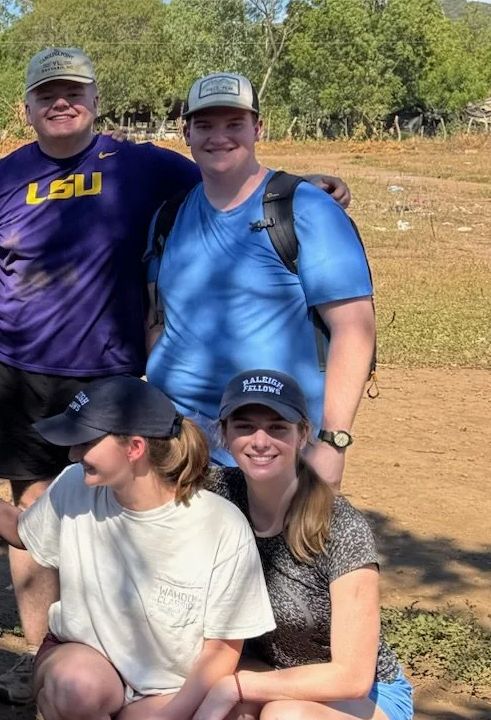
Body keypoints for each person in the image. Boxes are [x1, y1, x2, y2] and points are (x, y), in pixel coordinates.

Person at [0, 47, 355, 705]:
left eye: (74, 92)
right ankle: (42, 654)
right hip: (20, 371)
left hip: (114, 377)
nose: (61, 103)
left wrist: (311, 183)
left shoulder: (144, 165)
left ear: (96, 101)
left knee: (140, 516)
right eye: (47, 94)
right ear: (25, 107)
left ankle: (162, 661)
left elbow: (227, 172)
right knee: (38, 513)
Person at [0, 376, 273, 720]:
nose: (72, 454)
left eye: (84, 442)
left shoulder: (219, 525)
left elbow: (223, 649)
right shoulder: (76, 485)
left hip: (167, 688)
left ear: (135, 448)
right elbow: (25, 532)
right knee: (74, 689)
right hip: (88, 659)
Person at [184, 369, 409, 720]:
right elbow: (142, 475)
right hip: (274, 671)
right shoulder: (217, 495)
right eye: (244, 426)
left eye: (278, 427)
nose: (260, 441)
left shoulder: (340, 526)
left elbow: (351, 676)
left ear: (304, 434)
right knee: (210, 692)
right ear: (223, 433)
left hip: (363, 693)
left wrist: (234, 686)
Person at [146, 72, 376, 485]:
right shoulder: (169, 216)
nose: (219, 137)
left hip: (268, 449)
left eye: (234, 124)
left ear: (258, 128)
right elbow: (157, 316)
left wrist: (332, 442)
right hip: (179, 447)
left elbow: (354, 328)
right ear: (186, 133)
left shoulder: (307, 210)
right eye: (205, 125)